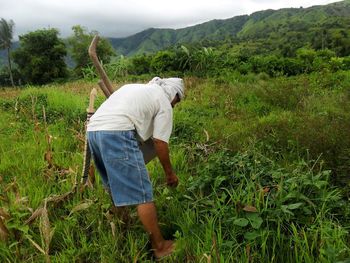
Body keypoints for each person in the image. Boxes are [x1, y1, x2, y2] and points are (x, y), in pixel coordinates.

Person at [86, 76, 185, 259]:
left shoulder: (135, 88)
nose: (174, 106)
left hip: (93, 131)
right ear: (174, 95)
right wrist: (170, 174)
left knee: (114, 183)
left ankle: (123, 224)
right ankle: (161, 247)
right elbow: (160, 142)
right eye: (176, 102)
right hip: (117, 132)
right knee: (142, 192)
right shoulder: (163, 101)